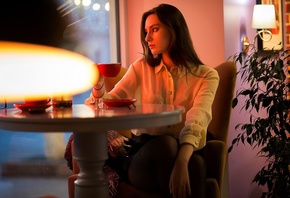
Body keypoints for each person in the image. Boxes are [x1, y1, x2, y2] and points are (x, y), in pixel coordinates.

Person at [85, 4, 219, 198]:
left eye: (154, 30)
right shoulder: (140, 68)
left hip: (185, 151)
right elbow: (107, 104)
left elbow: (198, 117)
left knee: (194, 162)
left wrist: (181, 161)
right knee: (166, 145)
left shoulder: (206, 75)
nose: (147, 38)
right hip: (144, 157)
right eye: (146, 32)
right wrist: (98, 86)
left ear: (174, 30)